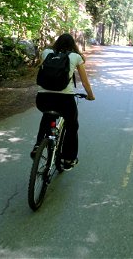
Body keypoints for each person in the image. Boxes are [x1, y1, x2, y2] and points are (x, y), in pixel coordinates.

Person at [31, 33, 95, 170]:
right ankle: (68, 159)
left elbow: (39, 68)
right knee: (72, 125)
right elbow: (85, 82)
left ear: (57, 42)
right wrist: (90, 95)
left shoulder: (47, 52)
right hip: (65, 100)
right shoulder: (76, 57)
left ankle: (38, 145)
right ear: (73, 44)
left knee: (47, 116)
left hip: (43, 98)